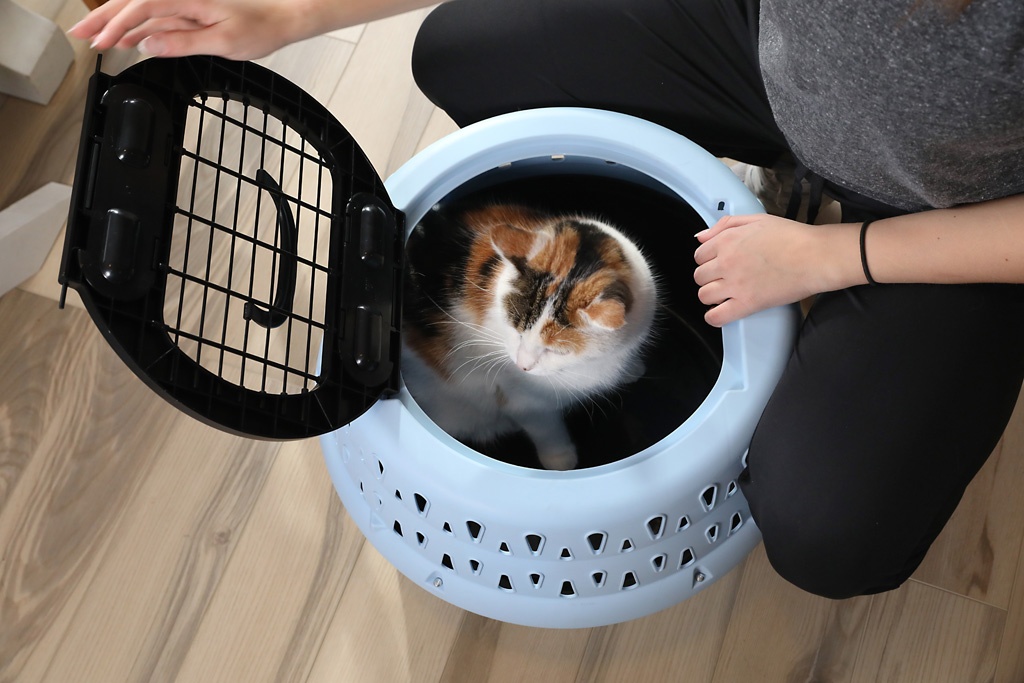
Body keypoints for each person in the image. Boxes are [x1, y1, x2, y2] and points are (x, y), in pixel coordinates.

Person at [70, 0, 1024, 600]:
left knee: (829, 534)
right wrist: (291, 13)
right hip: (779, 52)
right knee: (461, 51)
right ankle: (788, 164)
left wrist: (835, 257)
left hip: (969, 209)